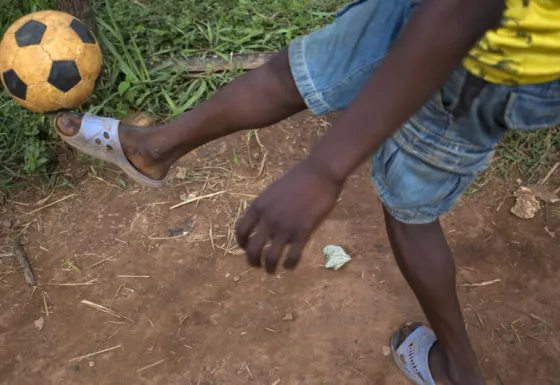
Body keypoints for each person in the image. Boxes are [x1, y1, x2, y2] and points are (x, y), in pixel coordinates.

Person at [54, 0, 560, 384]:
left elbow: (459, 16)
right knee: (302, 69)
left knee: (410, 212)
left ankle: (459, 369)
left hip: (492, 59)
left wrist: (324, 167)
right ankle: (154, 148)